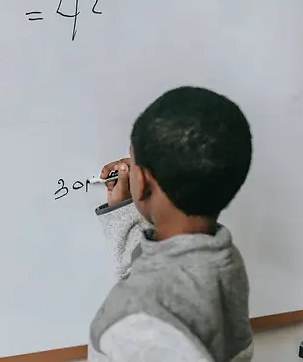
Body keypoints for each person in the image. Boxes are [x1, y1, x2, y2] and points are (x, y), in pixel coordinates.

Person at [88, 86, 254, 362]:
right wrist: (123, 210)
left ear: (141, 182)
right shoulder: (222, 259)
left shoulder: (138, 324)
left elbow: (152, 296)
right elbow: (159, 271)